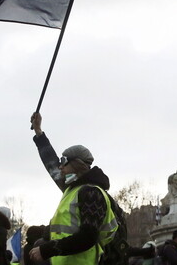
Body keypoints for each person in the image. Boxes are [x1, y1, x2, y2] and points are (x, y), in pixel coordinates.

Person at [29, 112, 119, 265]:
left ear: (76, 164)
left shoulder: (92, 193)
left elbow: (87, 237)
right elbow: (50, 162)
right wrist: (39, 133)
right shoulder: (72, 189)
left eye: (64, 161)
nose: (60, 166)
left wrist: (46, 250)